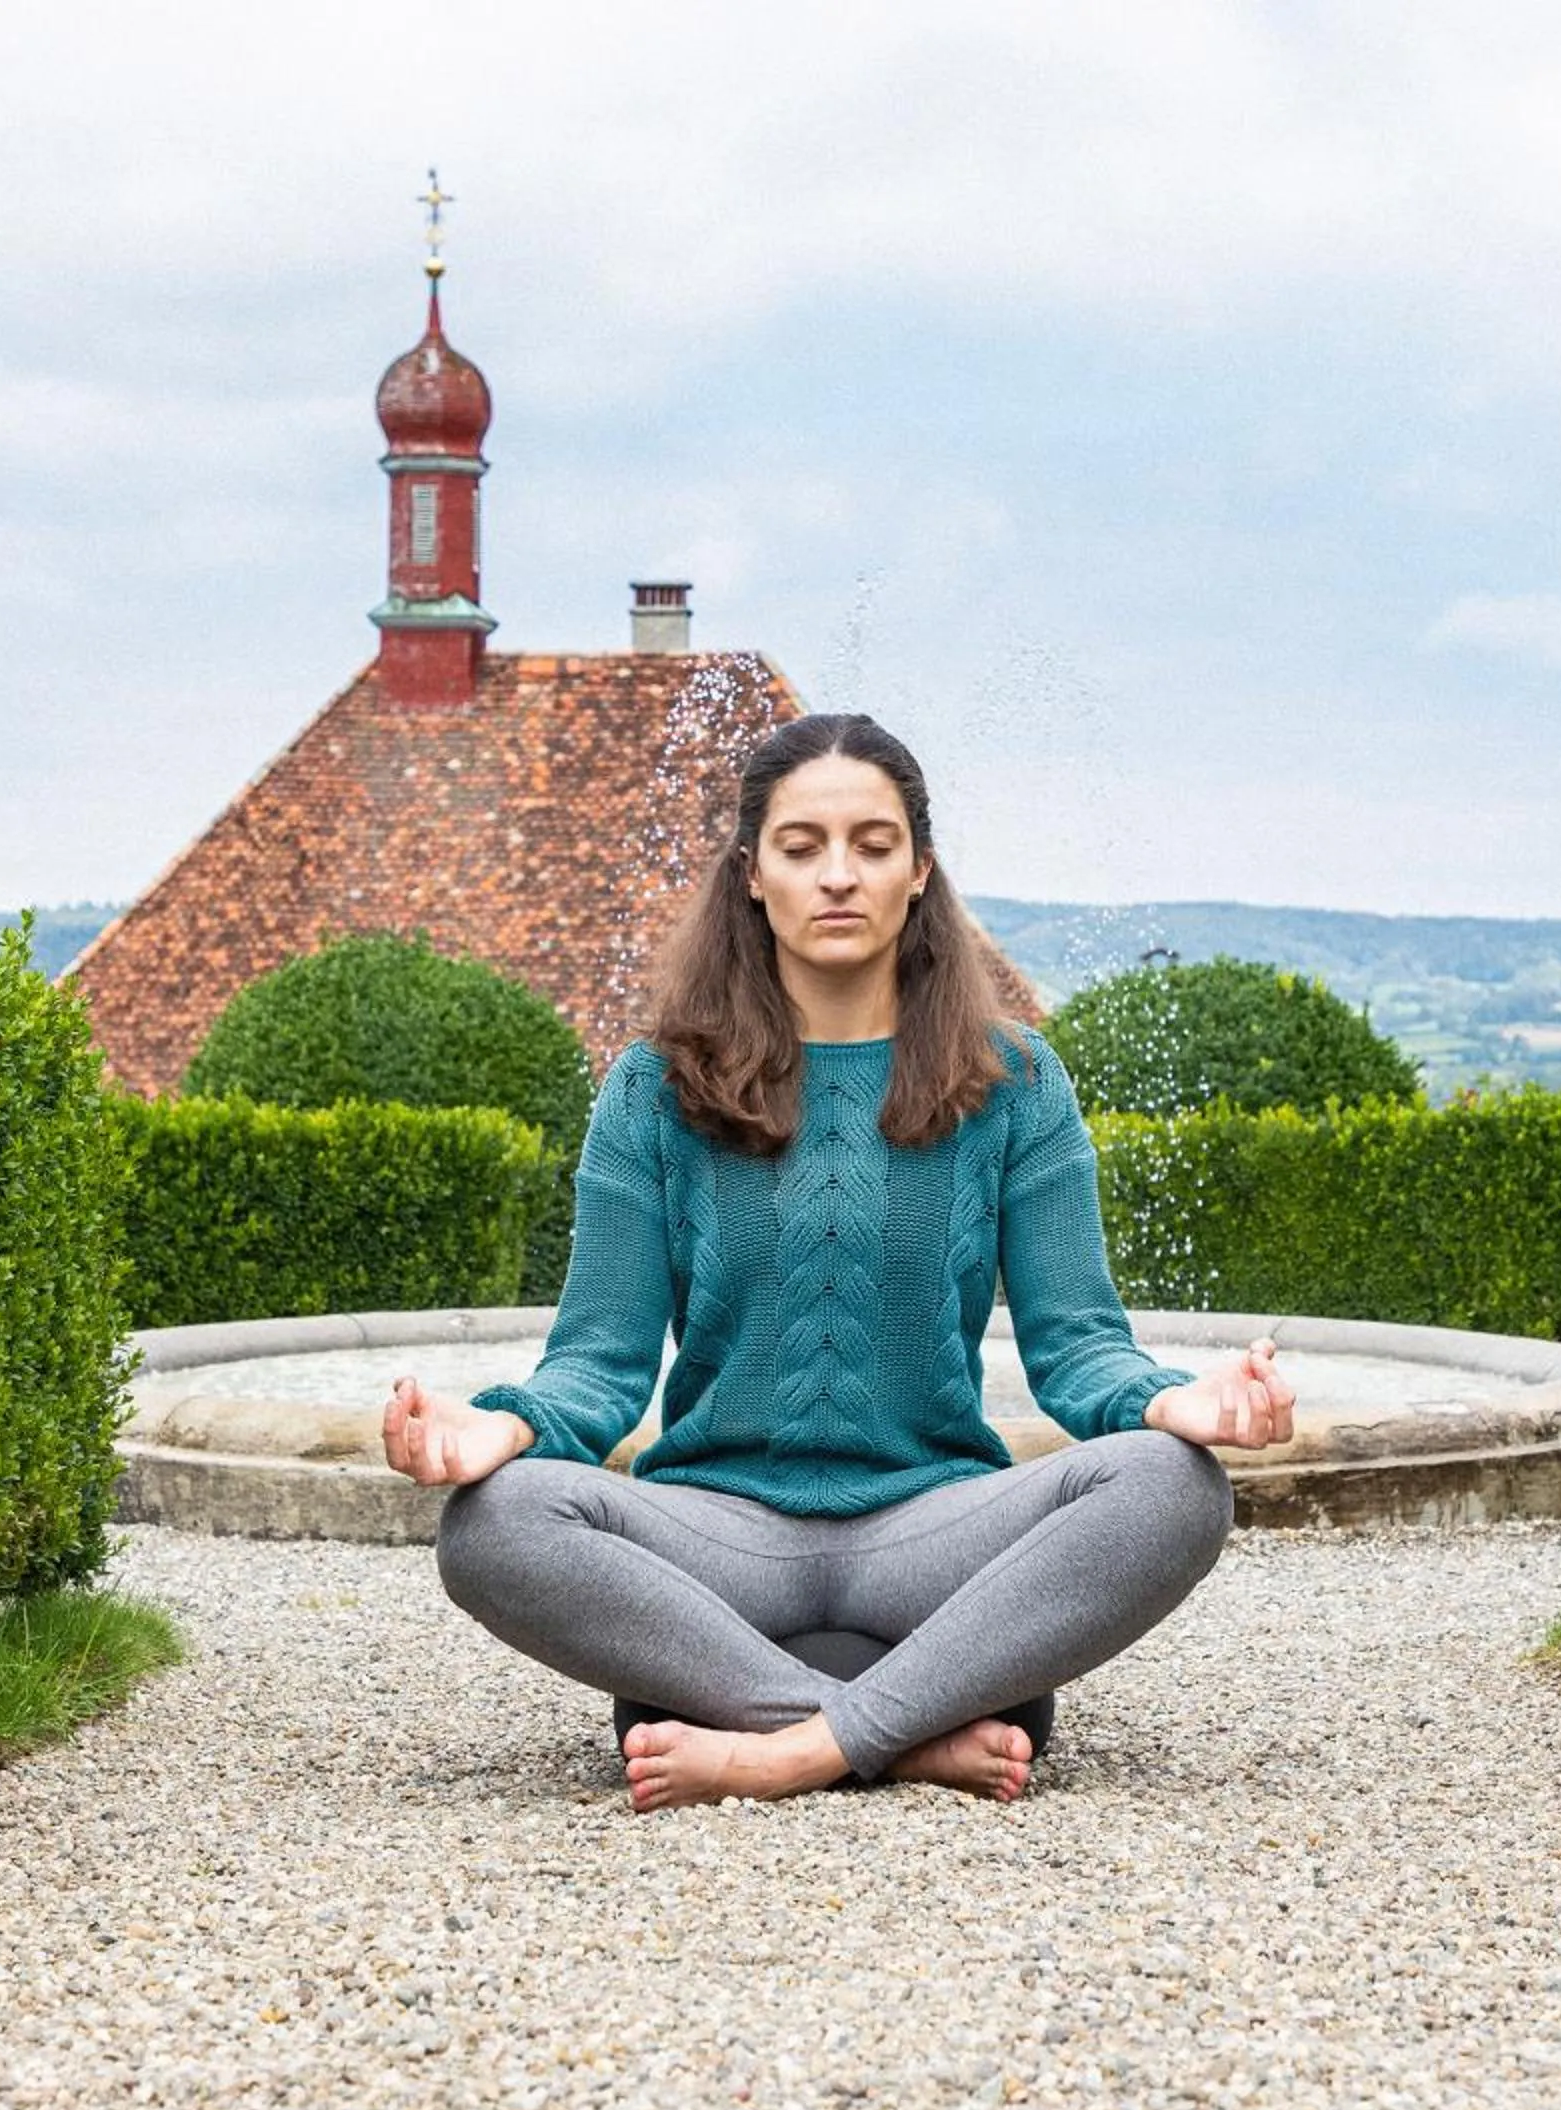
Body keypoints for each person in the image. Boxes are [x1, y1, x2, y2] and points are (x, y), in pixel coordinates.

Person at [381, 713, 1294, 1812]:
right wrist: (505, 1424)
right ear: (751, 876)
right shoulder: (652, 1087)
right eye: (802, 846)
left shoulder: (1015, 1079)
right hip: (719, 1531)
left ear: (919, 871)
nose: (838, 875)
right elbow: (600, 1365)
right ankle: (908, 1731)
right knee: (494, 1522)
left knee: (1171, 1488)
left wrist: (1170, 1404)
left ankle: (775, 1744)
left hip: (932, 1526)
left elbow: (1079, 1350)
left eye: (872, 843)